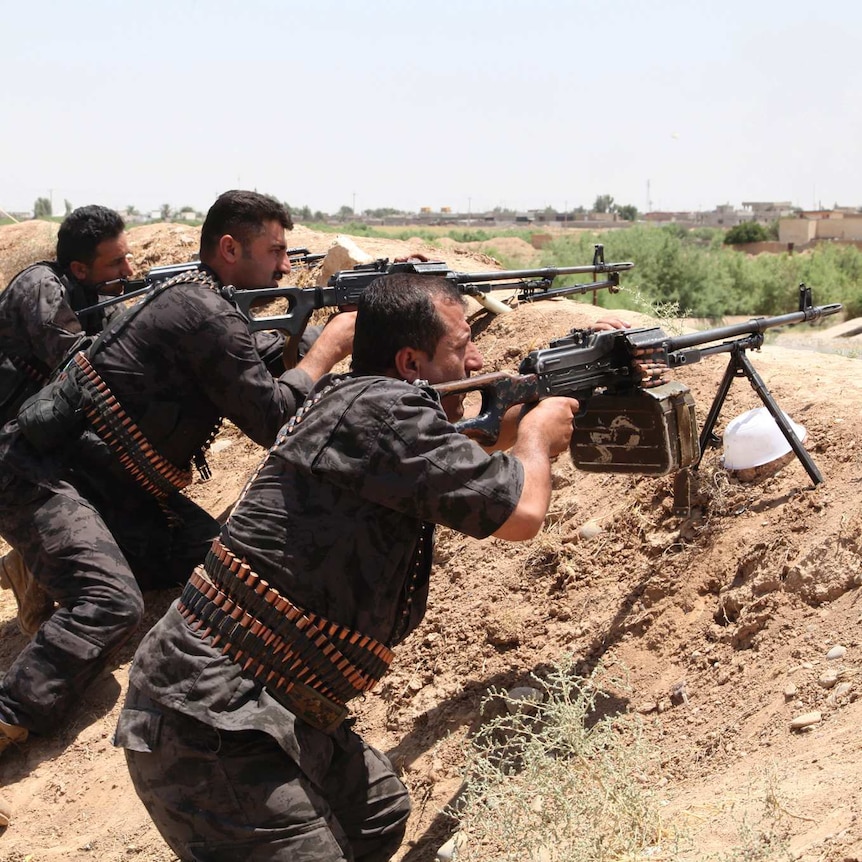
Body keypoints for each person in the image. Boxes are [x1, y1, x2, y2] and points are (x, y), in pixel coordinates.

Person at [115, 272, 580, 862]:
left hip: (263, 700)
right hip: (209, 719)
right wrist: (535, 441)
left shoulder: (354, 398)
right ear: (411, 362)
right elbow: (522, 514)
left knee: (377, 817)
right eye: (461, 347)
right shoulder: (387, 416)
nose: (477, 358)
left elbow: (445, 462)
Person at [0, 190, 355, 761]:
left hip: (108, 483)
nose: (286, 266)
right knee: (111, 600)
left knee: (214, 558)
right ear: (230, 247)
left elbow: (250, 360)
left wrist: (316, 335)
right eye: (276, 251)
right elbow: (270, 419)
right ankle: (11, 714)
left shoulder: (208, 305)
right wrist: (327, 349)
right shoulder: (200, 310)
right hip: (40, 475)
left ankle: (45, 561)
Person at [0, 205, 135, 636]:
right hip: (11, 455)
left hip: (39, 436)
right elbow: (82, 364)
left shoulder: (93, 294)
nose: (128, 270)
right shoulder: (40, 287)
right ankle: (35, 572)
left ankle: (27, 562)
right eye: (116, 262)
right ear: (78, 267)